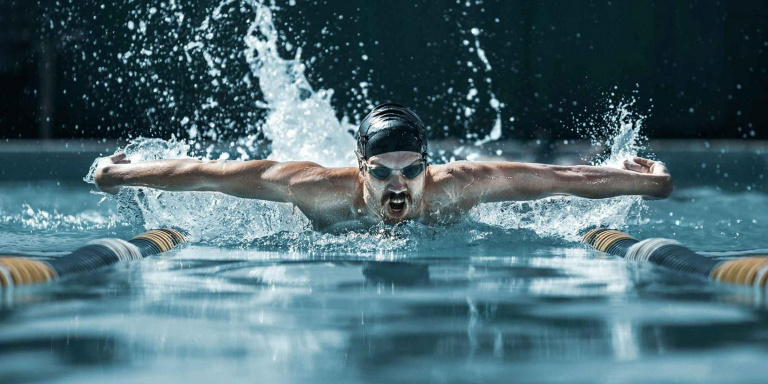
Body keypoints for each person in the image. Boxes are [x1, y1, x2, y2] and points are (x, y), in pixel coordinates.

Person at [94, 103, 673, 231]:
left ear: (430, 165)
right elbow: (204, 173)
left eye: (411, 169)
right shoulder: (313, 189)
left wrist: (650, 181)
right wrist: (116, 173)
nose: (398, 185)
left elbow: (565, 182)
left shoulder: (460, 188)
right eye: (381, 171)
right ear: (359, 167)